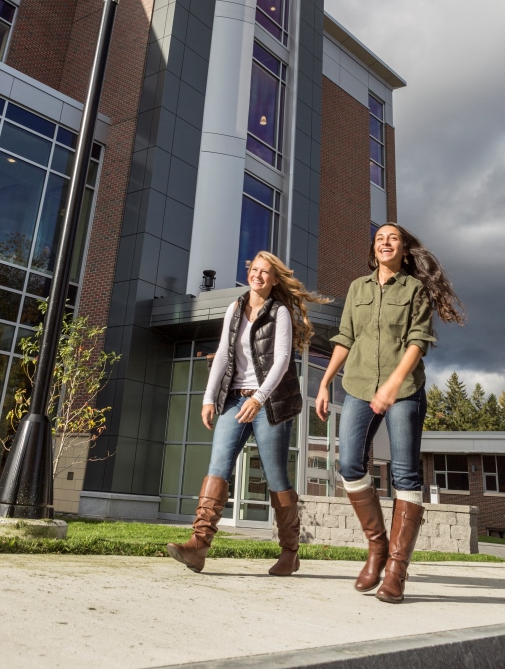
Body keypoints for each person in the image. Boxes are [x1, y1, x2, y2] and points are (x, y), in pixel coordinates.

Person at [316, 224, 464, 603]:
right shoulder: (357, 289)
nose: (385, 242)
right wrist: (324, 382)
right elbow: (345, 337)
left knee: (404, 475)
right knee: (349, 464)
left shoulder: (414, 290)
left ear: (403, 250)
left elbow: (419, 341)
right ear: (373, 248)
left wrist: (394, 384)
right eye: (380, 237)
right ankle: (377, 547)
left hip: (405, 391)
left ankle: (396, 569)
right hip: (359, 386)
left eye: (393, 238)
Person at [167, 251, 327, 576]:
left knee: (276, 477)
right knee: (217, 468)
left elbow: (282, 360)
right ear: (249, 273)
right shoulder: (234, 309)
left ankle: (290, 552)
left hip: (269, 404)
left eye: (266, 272)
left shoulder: (279, 312)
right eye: (255, 270)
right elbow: (225, 357)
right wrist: (208, 398)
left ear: (274, 280)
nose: (259, 276)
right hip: (234, 401)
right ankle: (198, 546)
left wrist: (260, 397)